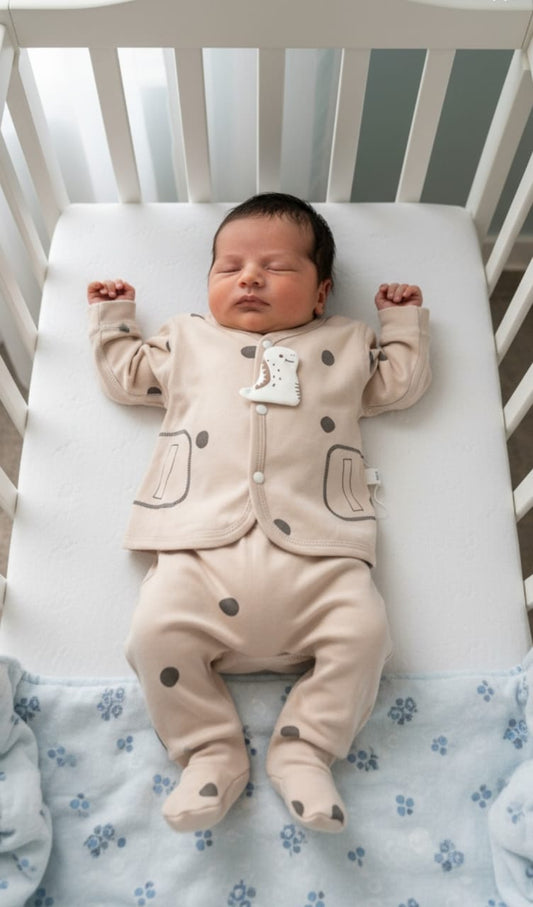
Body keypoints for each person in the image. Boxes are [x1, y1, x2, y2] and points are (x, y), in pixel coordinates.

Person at [88, 193, 430, 835]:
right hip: (198, 545)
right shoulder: (187, 338)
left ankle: (306, 750)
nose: (249, 277)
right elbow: (126, 375)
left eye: (276, 267)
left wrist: (401, 326)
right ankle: (210, 752)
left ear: (322, 293)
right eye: (229, 268)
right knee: (153, 635)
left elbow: (398, 385)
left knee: (366, 635)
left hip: (321, 552)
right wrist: (113, 316)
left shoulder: (346, 341)